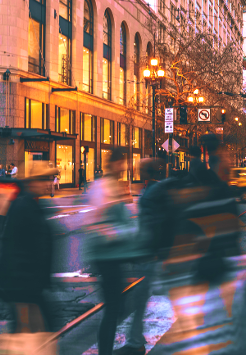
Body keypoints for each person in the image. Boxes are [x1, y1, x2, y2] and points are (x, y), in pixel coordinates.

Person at [87, 147, 143, 355]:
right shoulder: (102, 188)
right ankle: (105, 351)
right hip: (106, 257)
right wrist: (126, 231)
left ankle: (106, 350)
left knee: (116, 307)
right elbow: (98, 225)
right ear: (113, 164)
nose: (125, 167)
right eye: (122, 162)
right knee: (113, 309)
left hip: (114, 256)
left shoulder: (113, 186)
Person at [113, 158, 167, 355]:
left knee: (138, 297)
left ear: (146, 172)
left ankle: (135, 342)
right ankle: (136, 339)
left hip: (148, 253)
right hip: (151, 252)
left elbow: (152, 224)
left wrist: (147, 250)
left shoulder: (151, 194)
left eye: (140, 169)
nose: (137, 171)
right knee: (140, 297)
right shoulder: (155, 190)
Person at [0, 164, 56, 333]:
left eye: (49, 179)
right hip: (22, 285)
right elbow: (14, 247)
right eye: (43, 179)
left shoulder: (32, 204)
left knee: (32, 333)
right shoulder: (23, 205)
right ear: (32, 182)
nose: (47, 183)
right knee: (31, 333)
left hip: (28, 285)